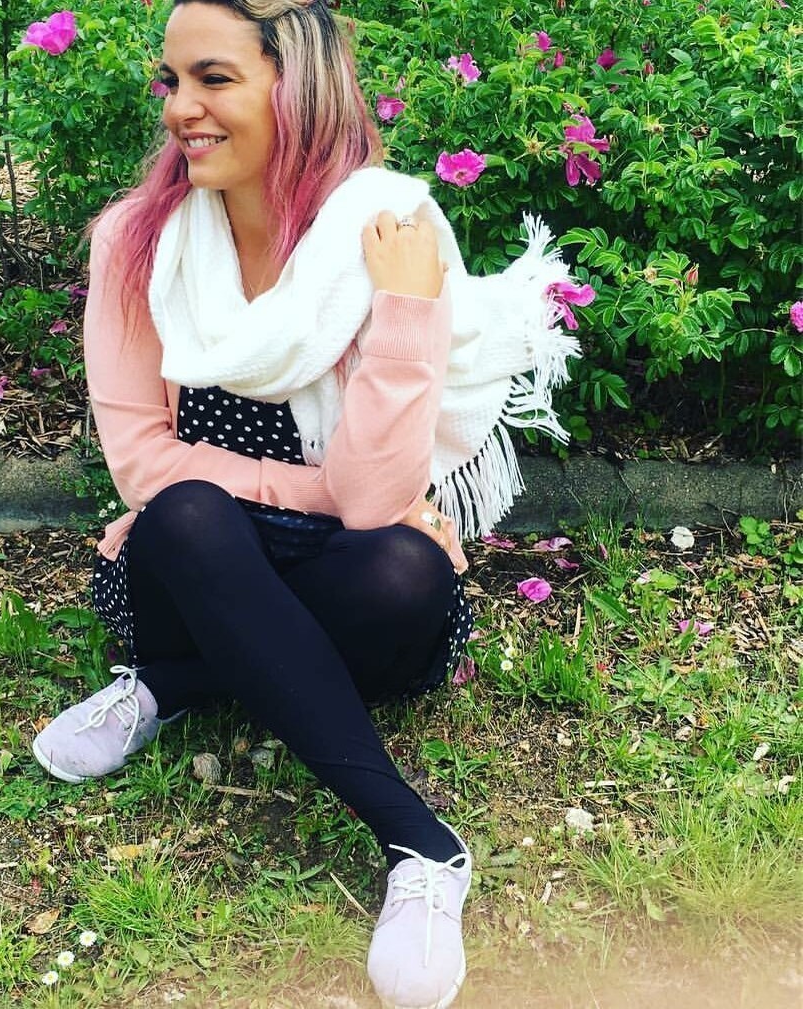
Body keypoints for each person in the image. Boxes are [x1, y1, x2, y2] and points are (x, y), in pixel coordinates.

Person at [32, 2, 580, 1006]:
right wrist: (296, 494)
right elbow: (144, 466)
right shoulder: (137, 241)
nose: (181, 108)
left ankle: (185, 680)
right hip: (192, 562)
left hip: (342, 574)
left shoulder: (388, 238)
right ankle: (420, 842)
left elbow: (371, 504)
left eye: (214, 78)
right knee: (187, 515)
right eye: (171, 81)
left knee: (405, 568)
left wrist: (406, 309)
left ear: (300, 87)